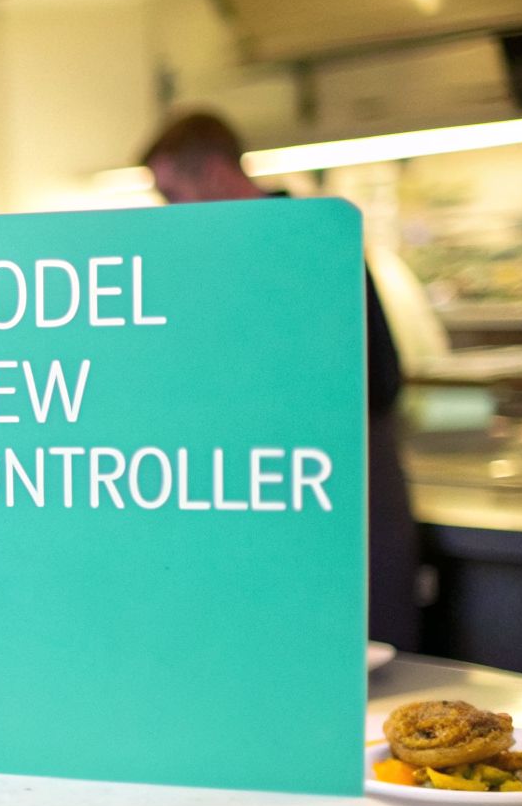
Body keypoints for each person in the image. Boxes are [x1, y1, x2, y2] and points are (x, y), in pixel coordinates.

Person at [139, 110, 422, 652]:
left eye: (173, 193)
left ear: (219, 173)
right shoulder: (247, 250)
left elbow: (373, 382)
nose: (169, 210)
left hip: (348, 488)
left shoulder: (309, 243)